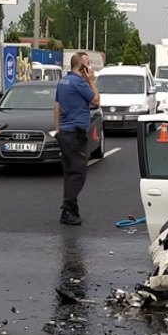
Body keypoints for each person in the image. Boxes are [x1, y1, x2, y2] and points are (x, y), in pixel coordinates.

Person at [55, 52, 100, 225]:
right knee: (79, 172)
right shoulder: (80, 82)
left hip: (65, 132)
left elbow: (57, 106)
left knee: (70, 172)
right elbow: (96, 101)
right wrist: (91, 81)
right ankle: (67, 208)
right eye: (88, 64)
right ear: (80, 66)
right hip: (76, 132)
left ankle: (72, 210)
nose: (90, 68)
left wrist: (58, 129)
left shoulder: (63, 81)